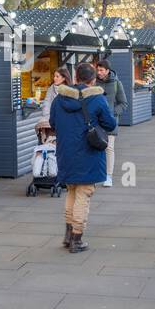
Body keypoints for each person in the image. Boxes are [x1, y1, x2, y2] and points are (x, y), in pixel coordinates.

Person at [49, 61, 117, 253]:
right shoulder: (97, 99)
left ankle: (68, 235)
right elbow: (110, 124)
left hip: (66, 153)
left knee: (71, 191)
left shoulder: (59, 98)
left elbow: (53, 123)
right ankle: (77, 239)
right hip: (88, 153)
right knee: (84, 194)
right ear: (93, 79)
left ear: (76, 78)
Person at [93, 60, 127, 187]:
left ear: (108, 70)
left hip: (111, 122)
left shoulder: (116, 83)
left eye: (101, 70)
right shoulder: (93, 83)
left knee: (109, 148)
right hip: (96, 122)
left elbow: (123, 103)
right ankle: (97, 174)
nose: (99, 72)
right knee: (95, 147)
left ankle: (108, 176)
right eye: (98, 70)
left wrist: (112, 114)